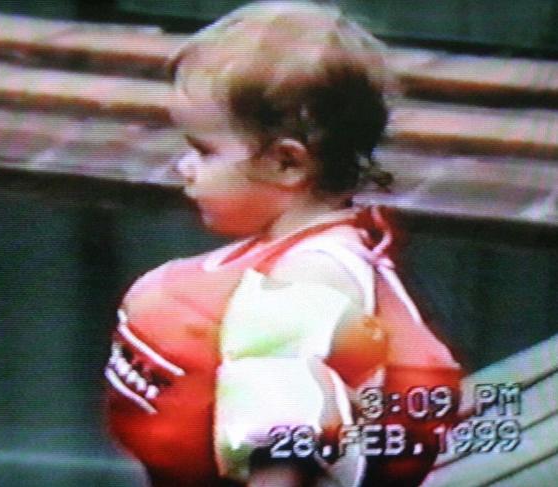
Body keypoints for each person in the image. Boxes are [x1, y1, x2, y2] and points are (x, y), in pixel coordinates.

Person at [104, 2, 462, 486]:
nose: (183, 167)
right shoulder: (292, 249)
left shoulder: (309, 277)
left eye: (203, 150)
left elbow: (283, 443)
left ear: (287, 164)